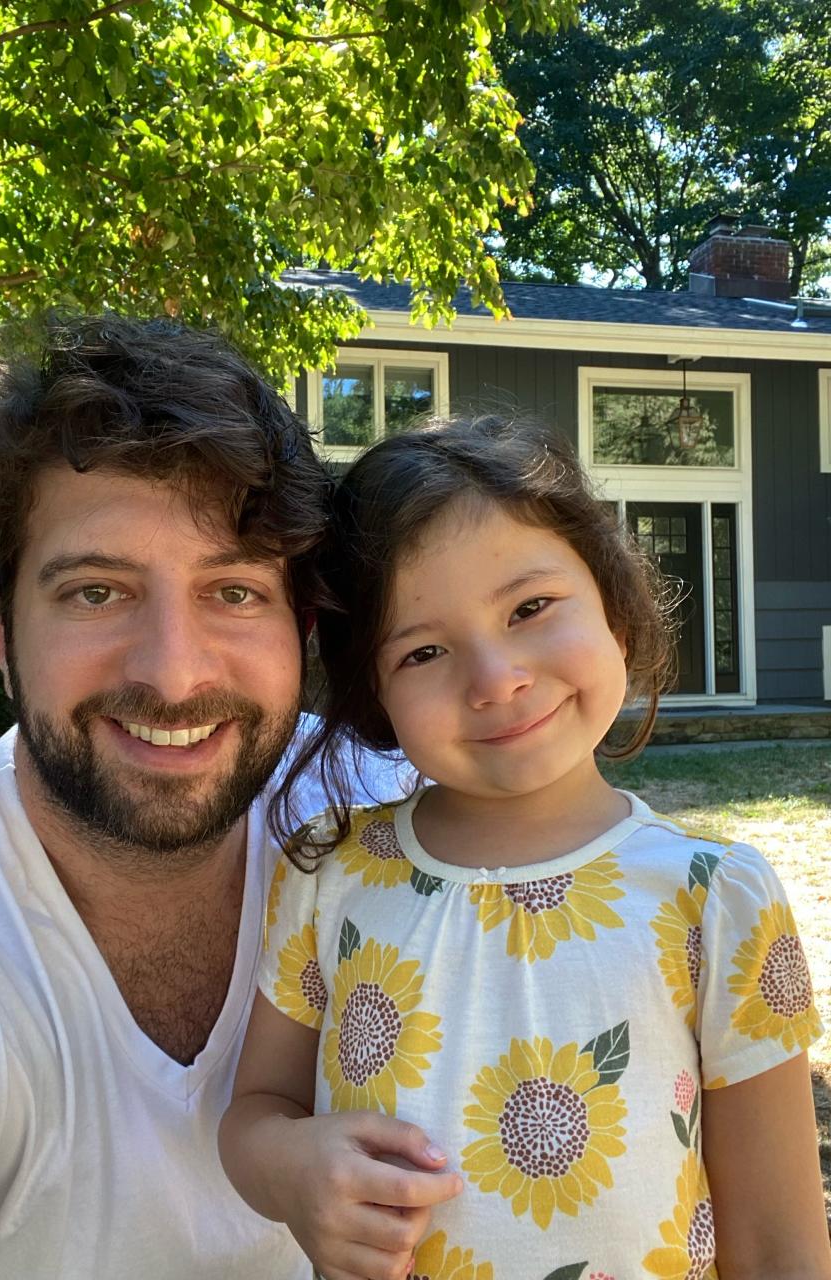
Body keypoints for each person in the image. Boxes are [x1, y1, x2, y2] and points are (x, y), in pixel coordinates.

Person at [219, 416, 831, 1280]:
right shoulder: (329, 873)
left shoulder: (717, 897)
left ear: (615, 606)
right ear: (373, 696)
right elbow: (256, 1113)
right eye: (425, 650)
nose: (496, 678)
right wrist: (290, 1170)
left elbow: (779, 1244)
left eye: (530, 608)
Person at [0, 314, 410, 1280]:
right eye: (95, 592)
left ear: (302, 626)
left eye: (234, 592)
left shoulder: (398, 835)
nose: (172, 675)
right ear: (1, 635)